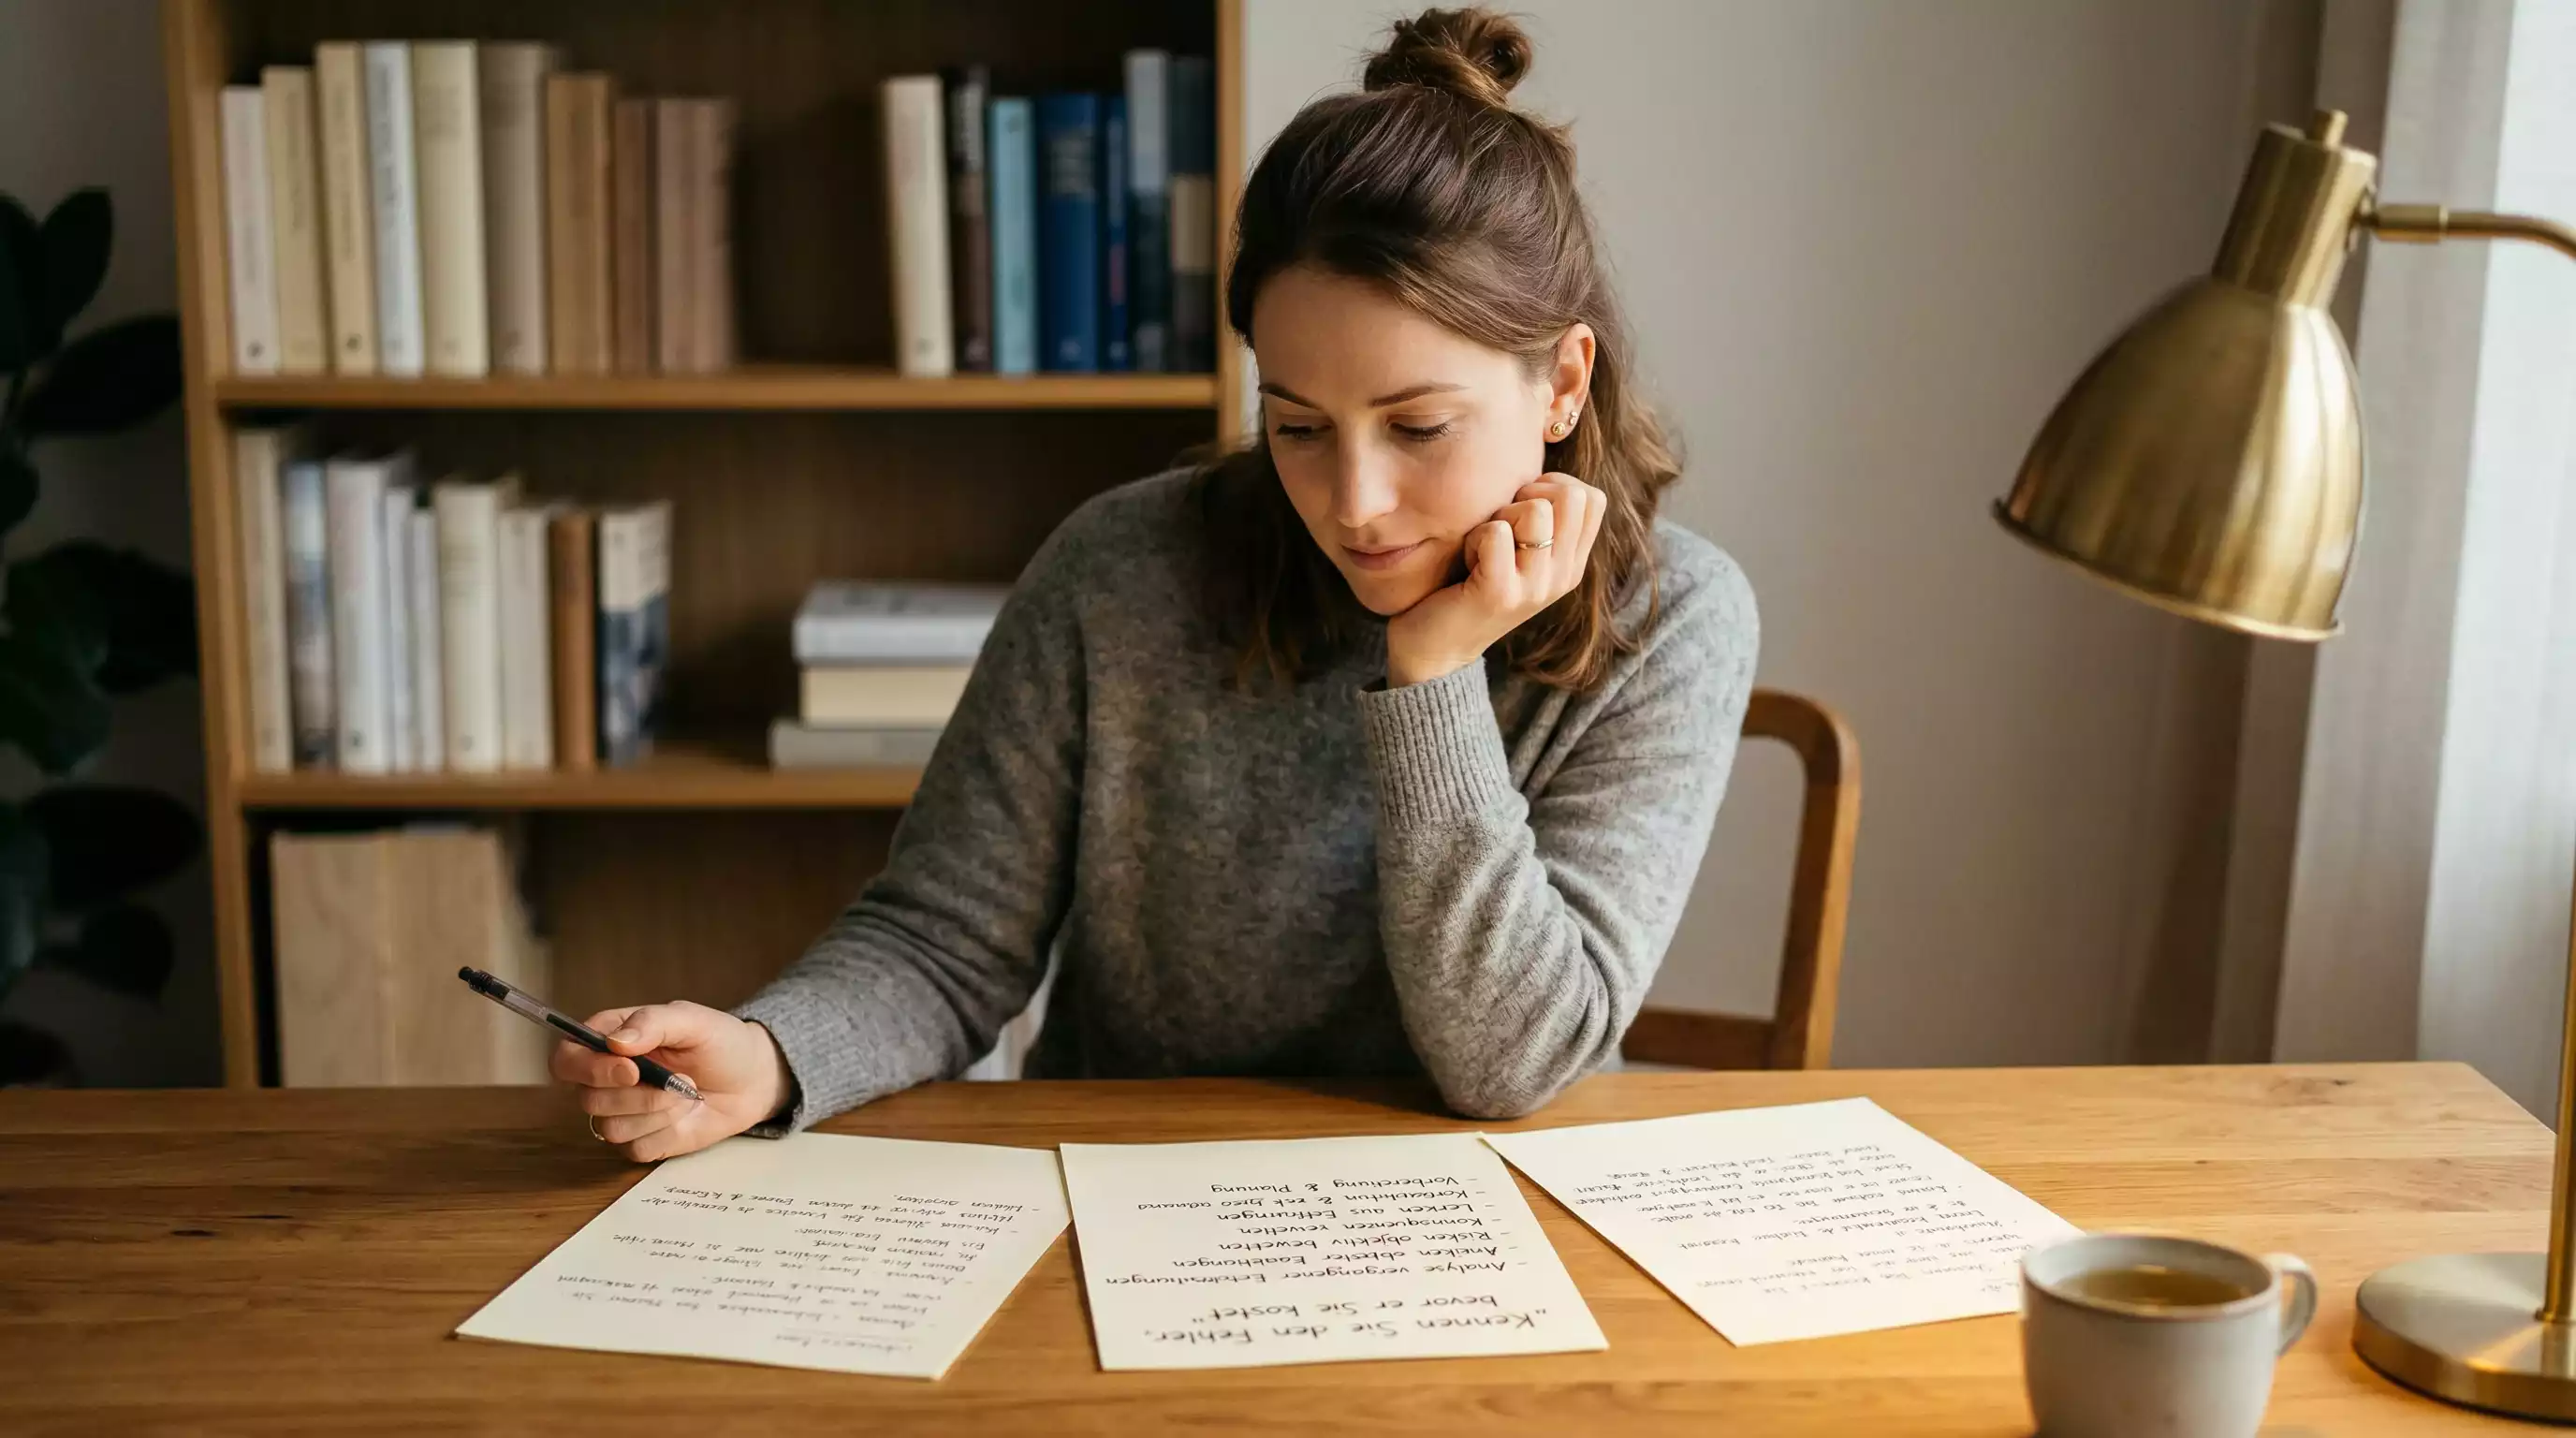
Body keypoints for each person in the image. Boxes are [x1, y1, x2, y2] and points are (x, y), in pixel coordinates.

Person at [553, 6, 1759, 1162]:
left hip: (1470, 1235)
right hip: (1114, 1186)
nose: (1354, 500)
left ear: (1561, 384)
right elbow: (945, 940)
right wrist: (770, 1055)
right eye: (1296, 426)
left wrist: (1431, 676)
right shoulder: (1120, 567)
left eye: (1420, 426)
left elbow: (1515, 1064)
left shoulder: (1675, 621)